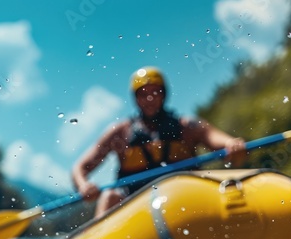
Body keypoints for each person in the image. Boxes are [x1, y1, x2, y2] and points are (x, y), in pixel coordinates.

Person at [72, 66, 248, 218]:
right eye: (143, 94)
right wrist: (83, 186)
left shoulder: (187, 127)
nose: (150, 99)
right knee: (109, 196)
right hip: (134, 207)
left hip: (186, 199)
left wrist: (233, 145)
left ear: (164, 95)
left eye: (155, 92)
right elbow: (79, 169)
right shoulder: (120, 133)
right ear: (136, 99)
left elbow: (222, 141)